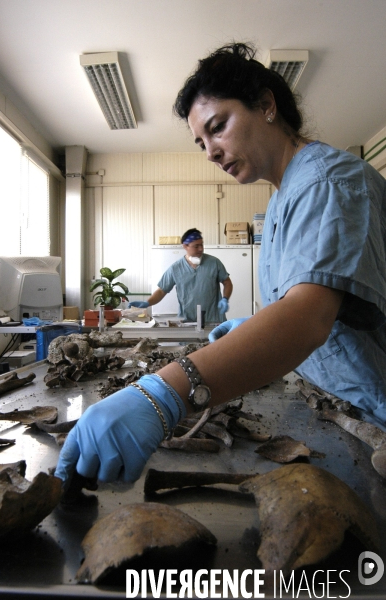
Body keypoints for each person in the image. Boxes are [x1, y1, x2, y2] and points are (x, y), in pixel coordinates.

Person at [55, 42, 386, 488]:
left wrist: (164, 393)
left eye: (218, 127)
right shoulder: (283, 199)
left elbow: (306, 319)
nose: (210, 151)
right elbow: (313, 303)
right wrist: (259, 323)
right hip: (338, 411)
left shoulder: (328, 181)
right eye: (201, 142)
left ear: (267, 105)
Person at [129, 228, 233, 323]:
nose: (201, 249)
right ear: (185, 246)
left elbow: (227, 282)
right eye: (196, 246)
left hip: (214, 320)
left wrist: (225, 299)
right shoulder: (176, 268)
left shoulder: (214, 263)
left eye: (202, 245)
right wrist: (147, 303)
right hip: (188, 321)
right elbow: (161, 291)